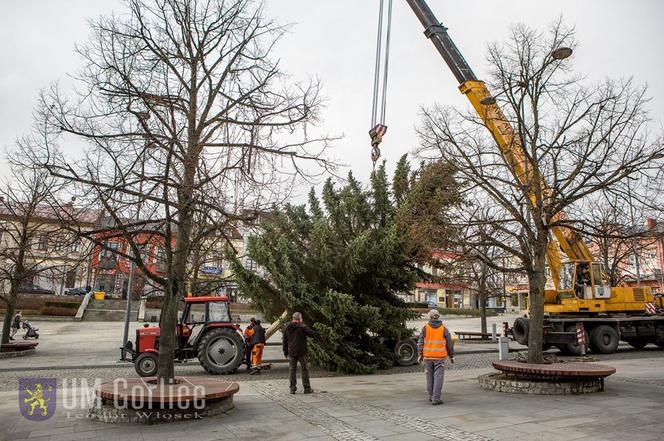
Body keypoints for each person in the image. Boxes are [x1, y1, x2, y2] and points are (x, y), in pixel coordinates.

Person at [417, 309, 455, 405]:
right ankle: (436, 398)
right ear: (438, 317)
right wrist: (451, 356)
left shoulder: (425, 328)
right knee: (438, 378)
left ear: (429, 317)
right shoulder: (444, 328)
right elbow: (449, 344)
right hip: (440, 358)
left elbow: (420, 342)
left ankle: (431, 396)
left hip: (427, 358)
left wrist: (420, 355)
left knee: (429, 377)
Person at [283, 312, 316, 394]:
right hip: (302, 352)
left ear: (293, 318)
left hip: (292, 352)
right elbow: (312, 334)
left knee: (292, 370)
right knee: (304, 370)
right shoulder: (302, 326)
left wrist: (285, 352)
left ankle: (292, 389)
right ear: (300, 318)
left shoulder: (287, 327)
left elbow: (284, 341)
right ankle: (307, 388)